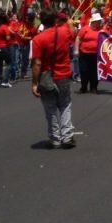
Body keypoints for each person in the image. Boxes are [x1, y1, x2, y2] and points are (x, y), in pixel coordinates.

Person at [30, 9, 77, 149]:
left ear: (42, 22)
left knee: (50, 108)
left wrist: (34, 82)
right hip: (63, 74)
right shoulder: (64, 32)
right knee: (65, 105)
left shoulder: (38, 39)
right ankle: (67, 136)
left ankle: (55, 138)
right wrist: (68, 21)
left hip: (46, 77)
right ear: (55, 20)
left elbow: (37, 63)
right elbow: (73, 33)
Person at [77, 12, 103, 94]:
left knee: (94, 72)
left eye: (100, 21)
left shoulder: (101, 30)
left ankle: (94, 87)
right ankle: (83, 87)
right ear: (94, 21)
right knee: (84, 71)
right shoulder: (85, 29)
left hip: (96, 54)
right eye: (98, 21)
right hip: (84, 53)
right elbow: (78, 38)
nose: (99, 22)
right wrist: (76, 49)